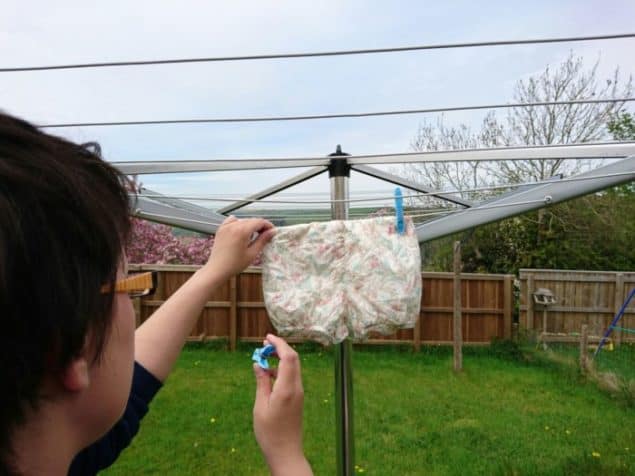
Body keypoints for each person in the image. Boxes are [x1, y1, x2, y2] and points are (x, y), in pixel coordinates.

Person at [0, 111, 313, 476]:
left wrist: (213, 271)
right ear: (77, 347)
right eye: (128, 284)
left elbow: (133, 379)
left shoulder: (43, 442)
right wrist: (286, 454)